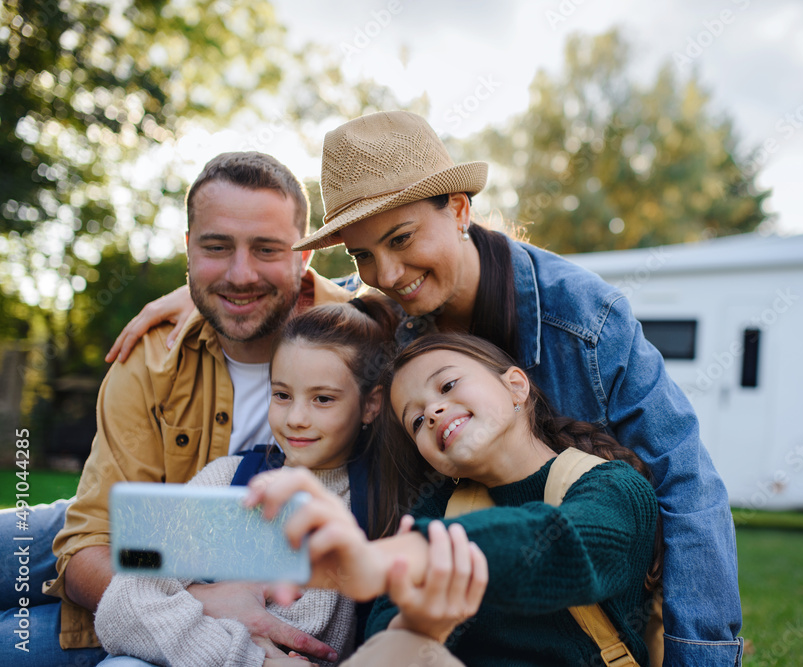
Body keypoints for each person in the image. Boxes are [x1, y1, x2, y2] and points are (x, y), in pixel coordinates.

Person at [109, 110, 744, 665]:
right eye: (361, 256)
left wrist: (702, 655)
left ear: (460, 209)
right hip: (404, 593)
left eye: (402, 239)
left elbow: (679, 488)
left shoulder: (584, 327)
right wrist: (217, 290)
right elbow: (329, 321)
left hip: (574, 606)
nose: (385, 273)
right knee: (52, 548)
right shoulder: (392, 343)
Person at [0, 152, 355, 667]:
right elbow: (87, 545)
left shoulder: (359, 342)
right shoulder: (151, 353)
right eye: (216, 248)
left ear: (304, 258)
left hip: (158, 598)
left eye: (267, 249)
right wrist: (195, 602)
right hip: (132, 558)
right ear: (188, 251)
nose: (240, 273)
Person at [94, 298, 486, 667]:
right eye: (282, 395)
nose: (296, 417)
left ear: (371, 404)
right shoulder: (231, 481)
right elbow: (121, 606)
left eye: (323, 400)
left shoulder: (392, 501)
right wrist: (255, 661)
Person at [246, 332, 660, 666]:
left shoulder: (613, 487)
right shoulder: (437, 509)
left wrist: (382, 561)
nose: (434, 412)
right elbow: (385, 632)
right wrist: (420, 622)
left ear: (516, 386)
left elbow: (560, 544)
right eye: (417, 420)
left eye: (447, 385)